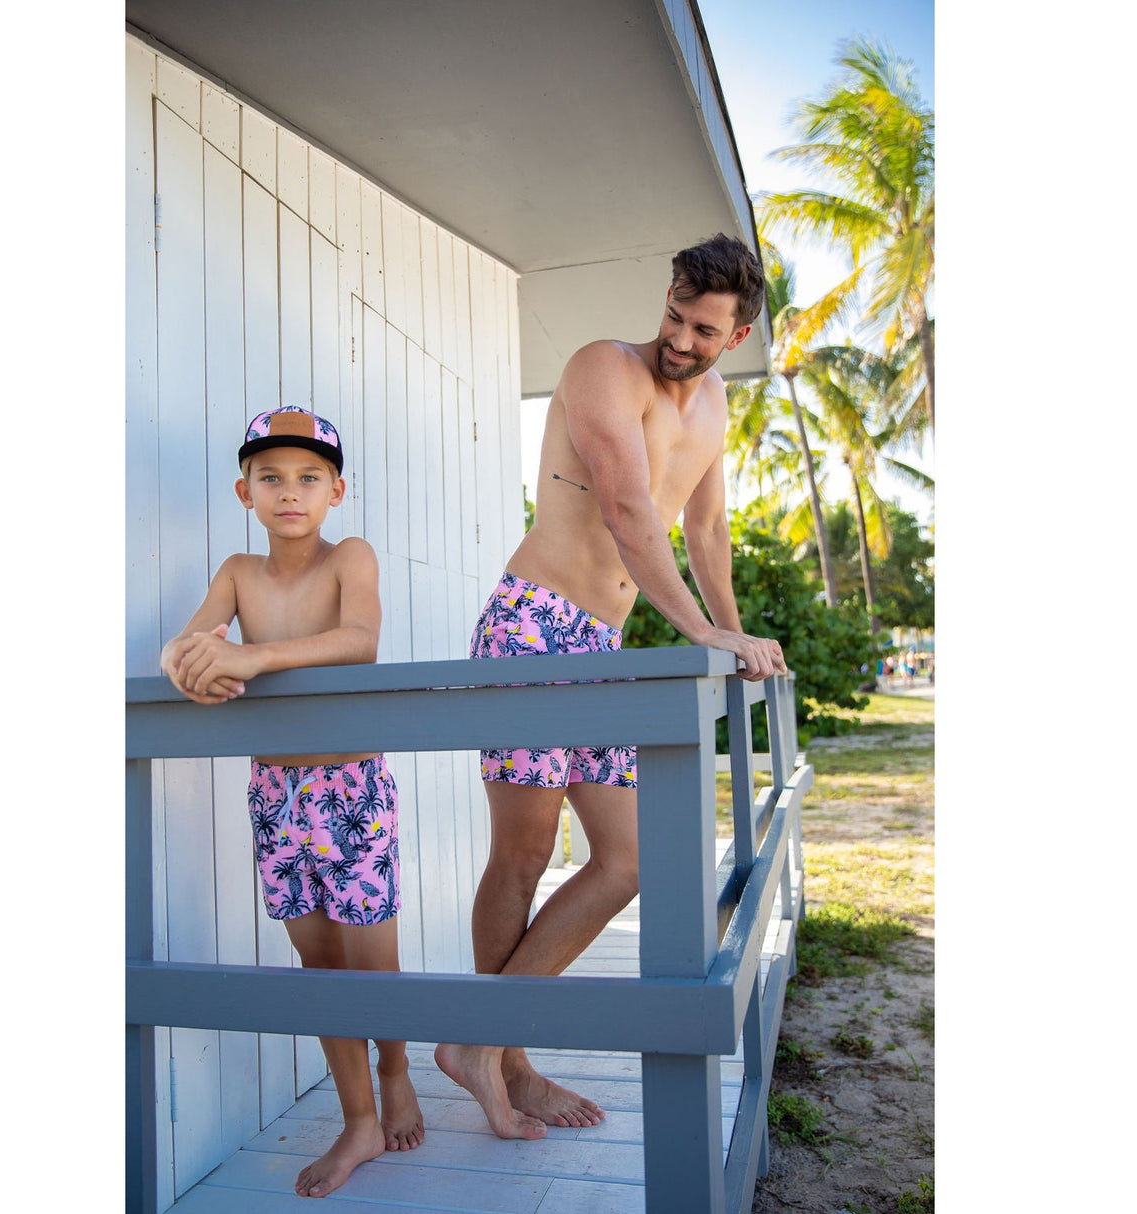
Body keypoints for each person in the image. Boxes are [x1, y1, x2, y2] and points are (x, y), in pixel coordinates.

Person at [434, 233, 788, 1140]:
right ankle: (506, 1061)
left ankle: (478, 1042)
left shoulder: (715, 407)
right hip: (533, 627)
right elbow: (630, 511)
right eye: (675, 315)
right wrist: (700, 632)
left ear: (737, 337)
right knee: (523, 853)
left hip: (604, 642)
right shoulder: (603, 368)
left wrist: (735, 634)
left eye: (703, 330)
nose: (680, 339)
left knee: (625, 860)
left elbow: (706, 532)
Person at [160, 406, 424, 1198]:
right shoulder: (239, 572)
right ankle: (358, 1119)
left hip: (350, 789)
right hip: (275, 794)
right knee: (318, 962)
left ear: (335, 491)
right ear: (245, 492)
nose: (289, 492)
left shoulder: (350, 556)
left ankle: (396, 1069)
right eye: (270, 478)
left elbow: (361, 640)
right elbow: (193, 640)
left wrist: (255, 656)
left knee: (371, 963)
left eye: (309, 478)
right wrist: (182, 661)